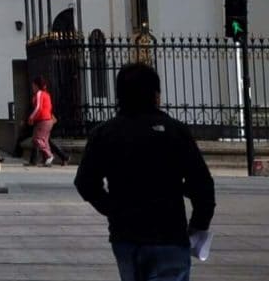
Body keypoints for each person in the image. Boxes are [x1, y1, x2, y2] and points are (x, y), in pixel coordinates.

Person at [74, 62, 214, 281]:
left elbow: (85, 182)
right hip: (169, 232)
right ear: (156, 95)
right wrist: (199, 225)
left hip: (126, 234)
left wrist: (112, 208)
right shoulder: (175, 131)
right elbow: (202, 184)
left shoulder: (105, 133)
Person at [28, 77, 61, 167]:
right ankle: (47, 159)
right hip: (48, 120)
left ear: (36, 85)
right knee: (45, 140)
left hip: (43, 119)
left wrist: (31, 117)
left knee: (37, 139)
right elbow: (49, 107)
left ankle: (49, 155)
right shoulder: (46, 94)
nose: (32, 87)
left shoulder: (39, 94)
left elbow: (38, 107)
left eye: (33, 85)